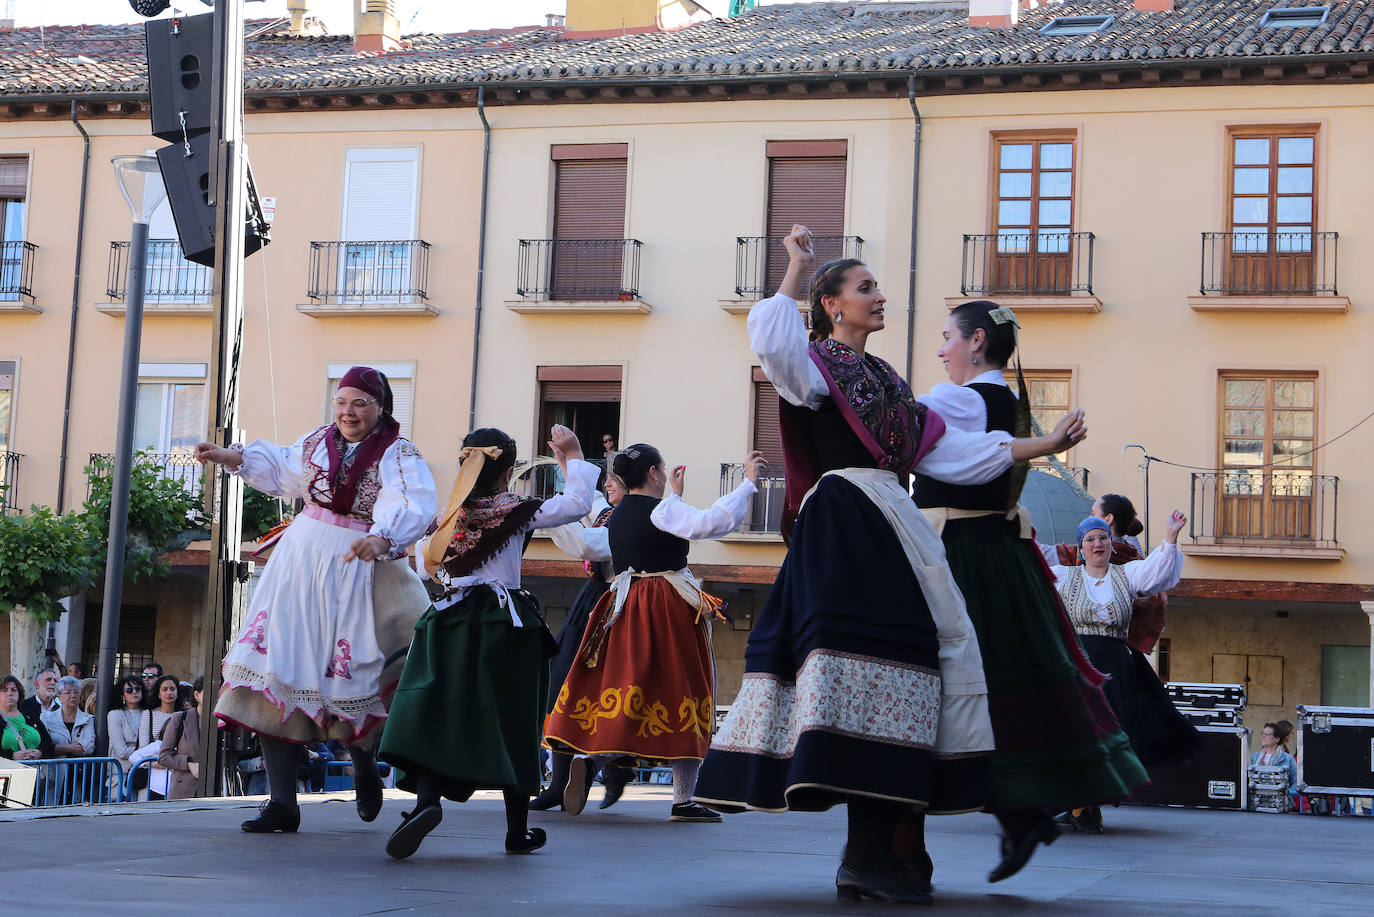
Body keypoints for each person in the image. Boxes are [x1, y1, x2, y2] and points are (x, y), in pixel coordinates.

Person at [692, 225, 1089, 904]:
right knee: (860, 674)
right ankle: (868, 855)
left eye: (876, 286)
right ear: (832, 305)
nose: (879, 297)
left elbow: (951, 455)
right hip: (843, 526)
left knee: (900, 678)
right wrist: (797, 267)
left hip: (890, 524)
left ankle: (883, 851)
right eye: (865, 288)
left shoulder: (886, 381)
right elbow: (771, 339)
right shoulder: (816, 368)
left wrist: (1043, 443)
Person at [912, 297, 1148, 879]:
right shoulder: (1009, 403)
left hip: (959, 553)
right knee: (1004, 685)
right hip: (1001, 554)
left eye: (947, 337)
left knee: (927, 681)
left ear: (976, 343)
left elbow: (911, 434)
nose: (941, 349)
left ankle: (924, 828)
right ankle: (1021, 813)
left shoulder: (959, 399)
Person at [195, 365, 437, 834]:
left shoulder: (399, 453)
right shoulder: (315, 442)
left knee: (357, 675)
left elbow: (410, 501)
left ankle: (364, 763)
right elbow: (284, 470)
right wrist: (229, 457)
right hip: (302, 563)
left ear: (380, 407)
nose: (348, 412)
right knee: (277, 672)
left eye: (360, 403)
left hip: (361, 565)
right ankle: (283, 802)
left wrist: (383, 538)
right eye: (343, 402)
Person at [379, 424, 595, 859]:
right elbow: (576, 505)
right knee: (512, 718)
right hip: (503, 622)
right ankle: (517, 831)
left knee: (436, 711)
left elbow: (424, 569)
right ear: (509, 469)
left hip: (447, 620)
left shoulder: (448, 517)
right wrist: (573, 457)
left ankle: (426, 803)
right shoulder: (514, 508)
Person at [545, 444, 763, 825]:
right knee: (686, 691)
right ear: (654, 473)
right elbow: (712, 521)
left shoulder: (614, 516)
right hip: (668, 607)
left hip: (622, 605)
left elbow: (586, 539)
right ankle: (683, 800)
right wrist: (747, 483)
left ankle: (592, 759)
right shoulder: (664, 511)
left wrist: (570, 470)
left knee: (631, 689)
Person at [1047, 514, 1199, 832]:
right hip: (1078, 666)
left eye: (1102, 537)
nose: (1097, 543)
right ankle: (1077, 805)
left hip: (1114, 668)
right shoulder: (1062, 576)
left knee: (1106, 739)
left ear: (1111, 545)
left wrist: (1170, 536)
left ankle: (1083, 805)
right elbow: (1025, 569)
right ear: (1080, 548)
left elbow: (1159, 574)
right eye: (1089, 539)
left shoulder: (1127, 575)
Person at [531, 466, 635, 813]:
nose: (607, 483)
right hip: (592, 600)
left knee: (615, 690)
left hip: (621, 604)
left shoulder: (631, 519)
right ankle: (560, 783)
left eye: (614, 479)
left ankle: (606, 766)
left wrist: (544, 515)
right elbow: (587, 501)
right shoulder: (608, 511)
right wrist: (569, 465)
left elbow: (587, 544)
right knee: (564, 684)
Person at [1042, 493, 1166, 654]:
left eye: (1093, 514)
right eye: (1090, 541)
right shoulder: (1135, 557)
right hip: (1120, 651)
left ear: (1108, 519)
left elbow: (1041, 554)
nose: (1096, 546)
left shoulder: (1129, 568)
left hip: (1093, 652)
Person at [158, 676, 203, 801]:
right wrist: (188, 765)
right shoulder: (180, 718)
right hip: (183, 791)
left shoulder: (222, 721)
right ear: (196, 695)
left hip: (214, 791)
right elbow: (164, 757)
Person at [1, 674, 54, 761]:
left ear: (19, 693)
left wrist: (39, 752)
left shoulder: (29, 715)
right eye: (4, 690)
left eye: (14, 690)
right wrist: (11, 756)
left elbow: (48, 744)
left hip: (34, 771)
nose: (9, 693)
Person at [107, 675, 146, 788]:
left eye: (138, 689)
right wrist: (145, 751)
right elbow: (121, 751)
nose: (134, 692)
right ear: (122, 695)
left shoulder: (148, 713)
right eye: (129, 690)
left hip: (144, 773)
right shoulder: (115, 715)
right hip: (121, 775)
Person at [1251, 722, 1299, 807]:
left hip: (1282, 805)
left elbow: (1296, 782)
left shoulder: (1288, 759)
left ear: (1277, 739)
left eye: (1267, 734)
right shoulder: (1255, 757)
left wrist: (1286, 795)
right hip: (1258, 803)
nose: (1263, 736)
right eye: (1262, 733)